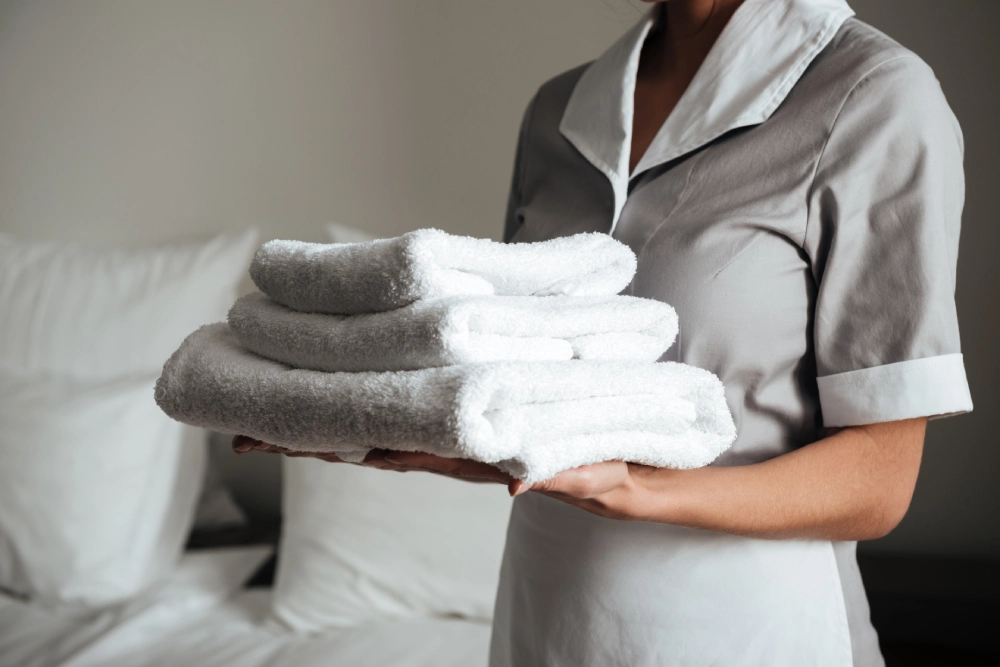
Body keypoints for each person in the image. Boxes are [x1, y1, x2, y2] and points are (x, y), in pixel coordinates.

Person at [235, 0, 973, 663]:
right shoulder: (560, 108)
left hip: (747, 627)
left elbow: (880, 480)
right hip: (546, 610)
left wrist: (637, 491)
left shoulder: (871, 95)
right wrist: (431, 440)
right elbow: (524, 388)